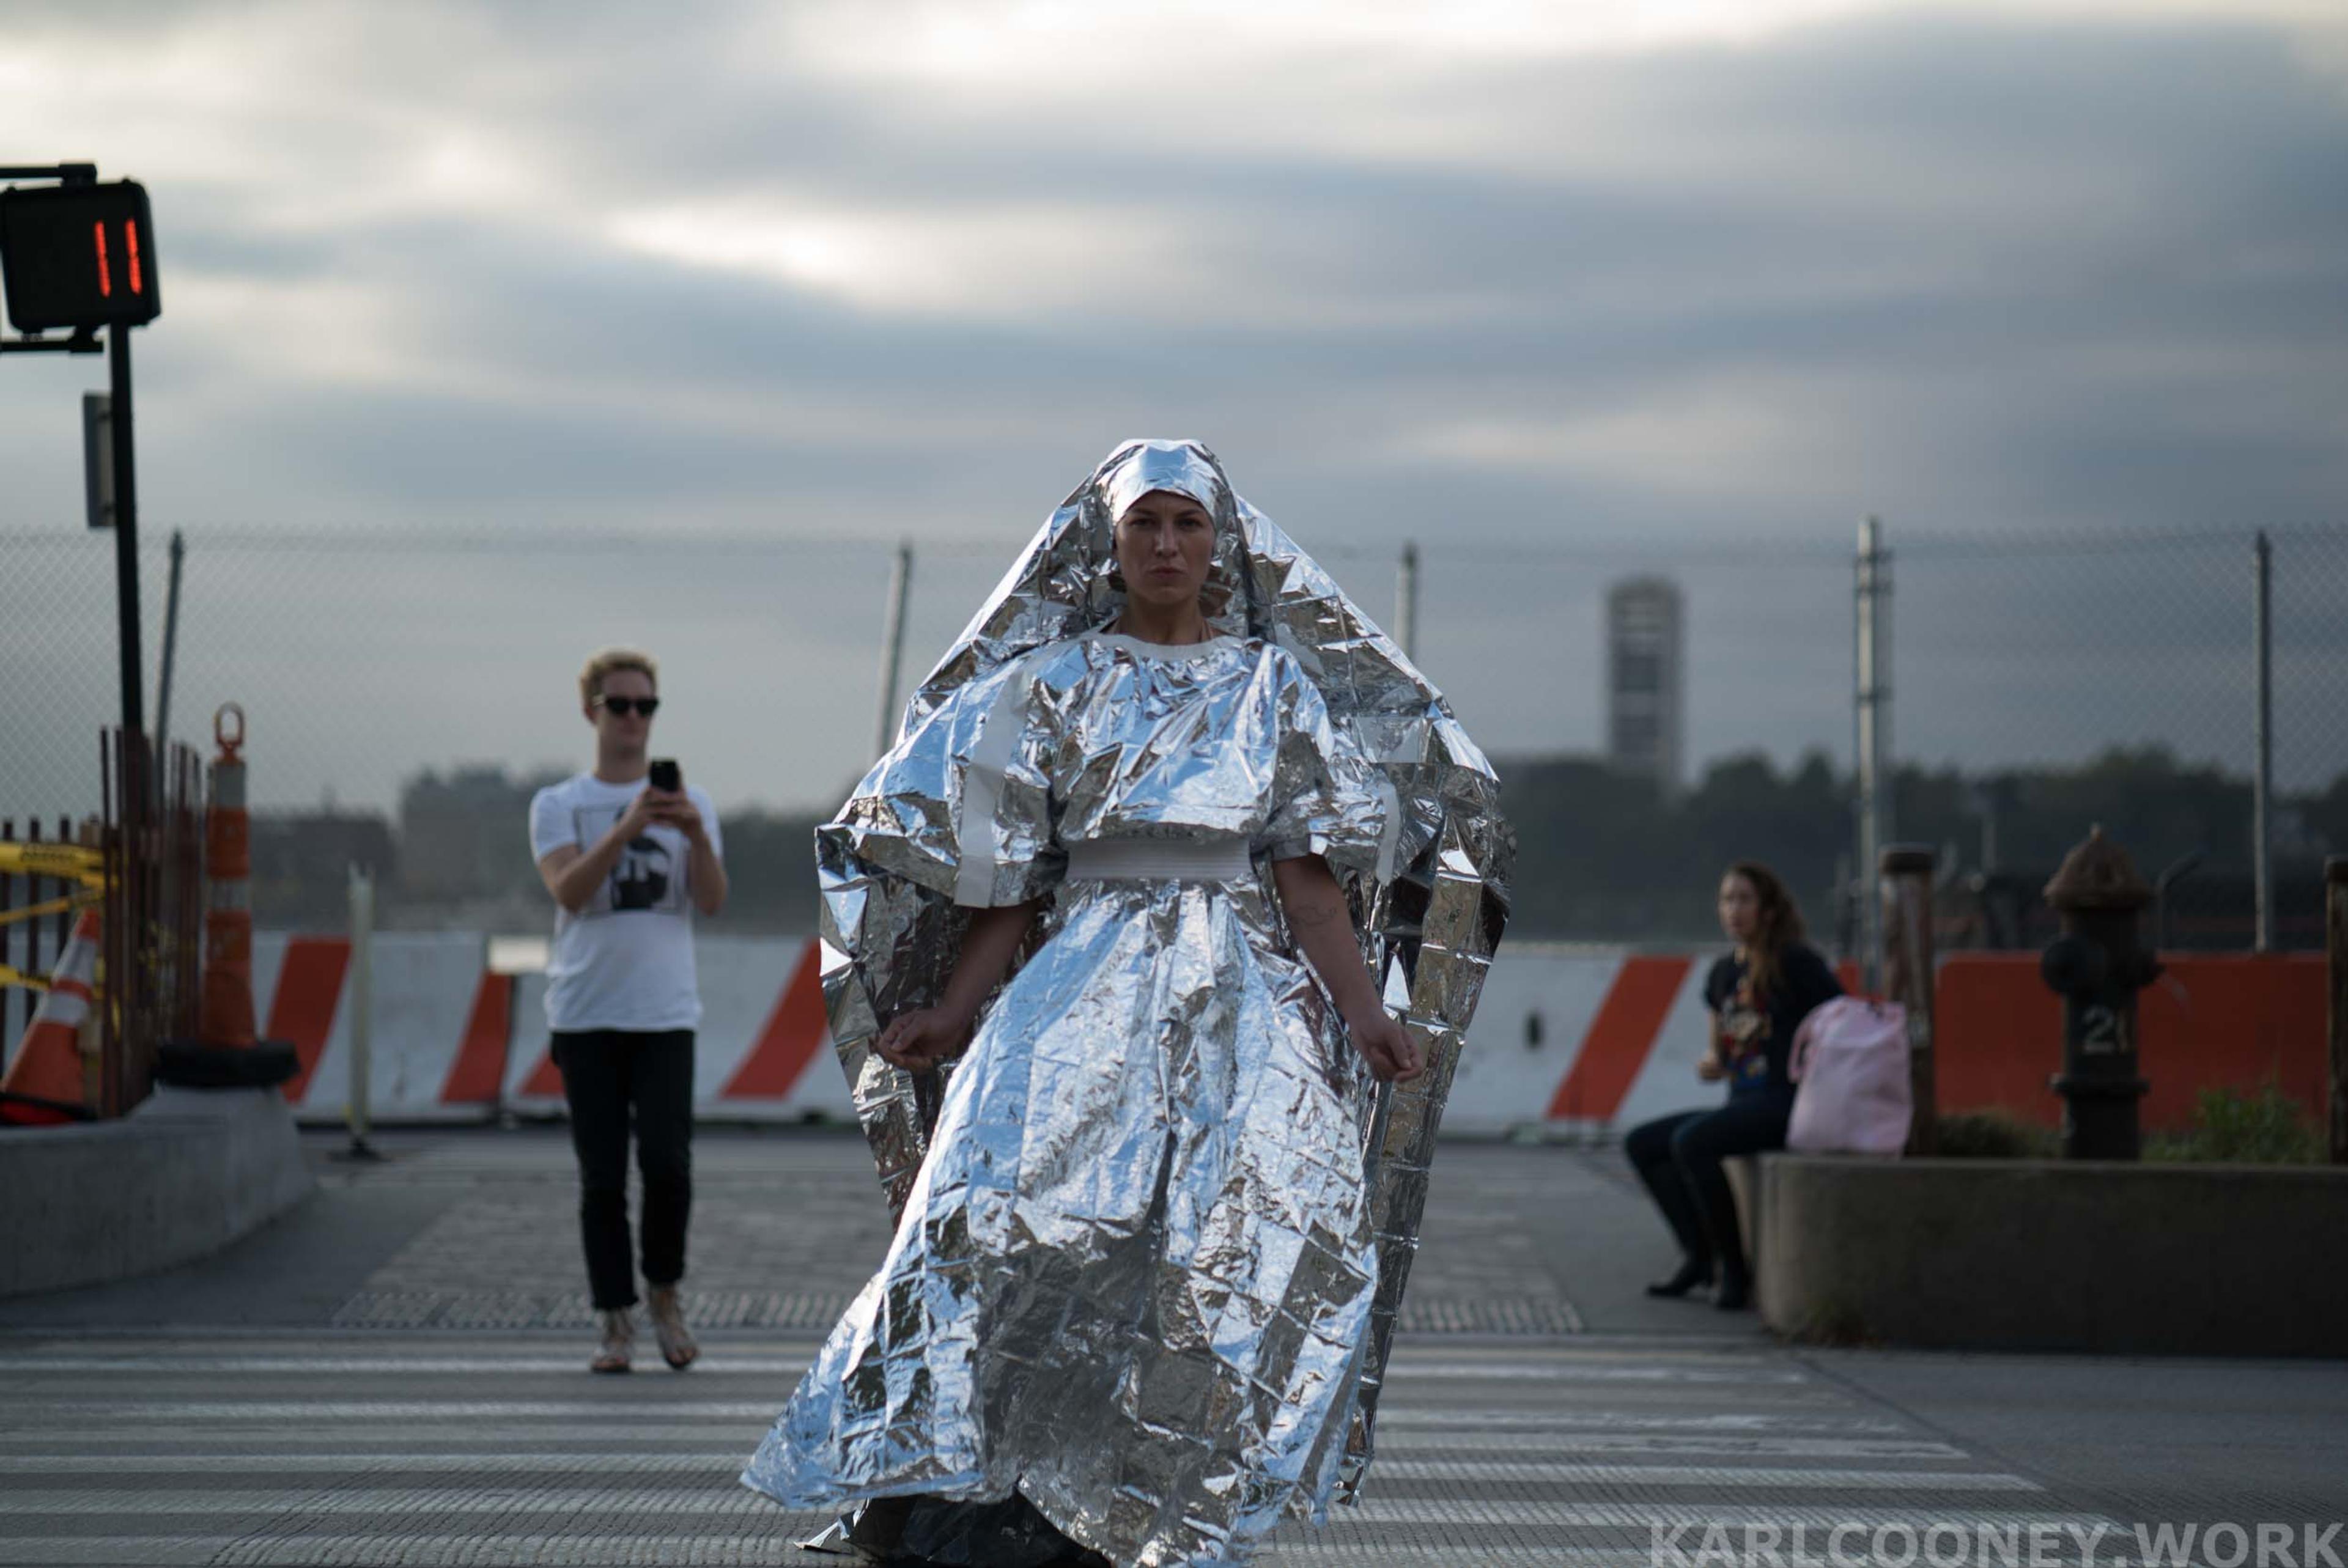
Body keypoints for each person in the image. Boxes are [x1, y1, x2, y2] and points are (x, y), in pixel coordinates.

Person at [740, 441, 1508, 1568]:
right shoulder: (1055, 683)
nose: (1164, 545)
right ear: (1113, 542)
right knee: (985, 1216)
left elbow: (1308, 884)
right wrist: (955, 1017)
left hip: (1236, 997)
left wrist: (1366, 1018)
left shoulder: (1269, 684)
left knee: (1208, 1248)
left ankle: (1150, 1496)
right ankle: (918, 1477)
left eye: (1186, 526)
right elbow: (1013, 886)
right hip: (1078, 984)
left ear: (1218, 548)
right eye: (1144, 524)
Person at [530, 646, 726, 1373]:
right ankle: (615, 1321)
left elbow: (710, 900)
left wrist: (694, 835)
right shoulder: (558, 805)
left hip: (665, 1013)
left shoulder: (692, 804)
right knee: (603, 1178)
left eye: (646, 707)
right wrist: (627, 826)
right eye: (620, 706)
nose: (634, 720)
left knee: (670, 1167)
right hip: (585, 1015)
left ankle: (665, 1298)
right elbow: (569, 893)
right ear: (593, 713)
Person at [1623, 861, 1840, 1311]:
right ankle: (1698, 1256)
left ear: (1768, 909)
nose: (1734, 909)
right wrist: (1712, 1065)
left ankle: (1735, 1272)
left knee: (1691, 1142)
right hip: (1742, 1100)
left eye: (1744, 899)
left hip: (1787, 1102)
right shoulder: (1723, 973)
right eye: (1727, 899)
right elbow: (1719, 1054)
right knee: (1643, 1143)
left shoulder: (1795, 961)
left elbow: (1841, 1021)